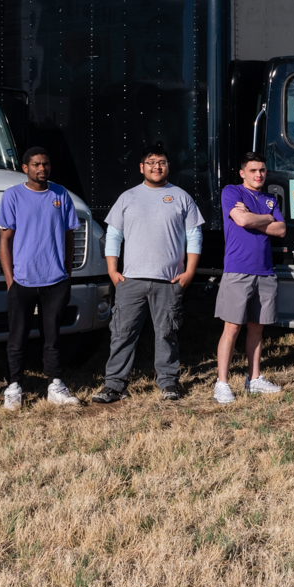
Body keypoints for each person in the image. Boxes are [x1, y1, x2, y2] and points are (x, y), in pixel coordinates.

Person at [99, 146, 202, 403]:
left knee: (167, 333)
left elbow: (194, 237)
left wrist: (190, 271)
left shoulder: (181, 197)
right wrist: (112, 269)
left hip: (169, 281)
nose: (157, 166)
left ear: (168, 166)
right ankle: (114, 386)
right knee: (122, 333)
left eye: (162, 162)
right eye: (151, 162)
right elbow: (113, 235)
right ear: (141, 167)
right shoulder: (128, 197)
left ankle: (168, 383)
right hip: (131, 280)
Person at [0, 145, 81, 410]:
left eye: (45, 163)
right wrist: (10, 280)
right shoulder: (13, 195)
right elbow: (5, 240)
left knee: (52, 336)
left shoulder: (61, 194)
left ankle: (55, 385)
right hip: (22, 280)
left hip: (55, 280)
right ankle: (14, 387)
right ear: (25, 168)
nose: (42, 168)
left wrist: (66, 273)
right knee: (18, 336)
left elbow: (69, 236)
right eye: (36, 164)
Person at [216, 153, 287, 404]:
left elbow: (281, 229)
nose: (259, 174)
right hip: (238, 269)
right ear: (242, 173)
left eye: (262, 170)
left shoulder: (270, 199)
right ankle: (222, 383)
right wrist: (267, 218)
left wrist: (257, 219)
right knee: (232, 327)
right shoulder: (232, 192)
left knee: (257, 328)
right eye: (253, 170)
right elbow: (241, 219)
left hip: (265, 271)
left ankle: (254, 379)